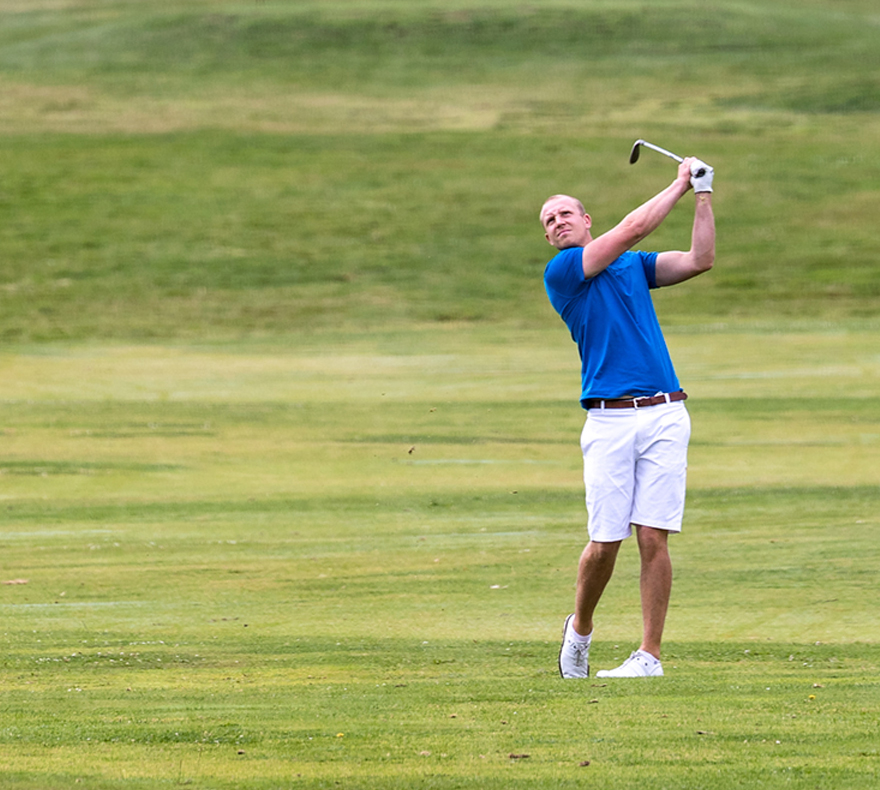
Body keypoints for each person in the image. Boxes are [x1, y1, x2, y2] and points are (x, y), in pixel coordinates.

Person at [541, 155, 715, 679]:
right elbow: (635, 225)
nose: (558, 223)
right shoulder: (565, 272)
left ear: (586, 218)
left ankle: (649, 656)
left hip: (666, 411)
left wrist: (704, 195)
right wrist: (681, 182)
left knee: (653, 536)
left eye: (566, 214)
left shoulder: (633, 266)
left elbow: (700, 260)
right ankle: (581, 631)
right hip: (609, 420)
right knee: (604, 543)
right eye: (549, 221)